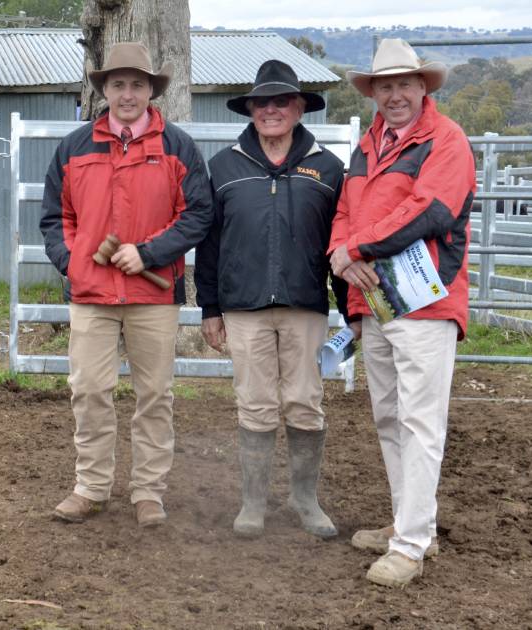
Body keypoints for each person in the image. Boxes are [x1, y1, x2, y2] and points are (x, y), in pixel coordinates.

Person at [40, 42, 214, 529]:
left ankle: (148, 491)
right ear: (105, 90)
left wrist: (150, 253)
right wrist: (73, 265)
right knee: (90, 390)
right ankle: (91, 487)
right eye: (118, 84)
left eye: (137, 84)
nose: (128, 93)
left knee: (154, 395)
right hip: (92, 294)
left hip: (153, 294)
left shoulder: (177, 146)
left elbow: (198, 213)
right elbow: (57, 218)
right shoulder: (75, 147)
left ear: (150, 90)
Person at [330, 38, 475, 587]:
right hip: (375, 299)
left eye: (403, 85)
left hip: (426, 301)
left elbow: (430, 211)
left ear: (422, 87)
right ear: (373, 92)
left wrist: (357, 248)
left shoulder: (447, 140)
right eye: (383, 86)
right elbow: (344, 211)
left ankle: (411, 545)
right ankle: (409, 526)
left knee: (419, 420)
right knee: (390, 416)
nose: (394, 95)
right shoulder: (368, 145)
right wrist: (341, 257)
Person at [195, 60, 350, 540]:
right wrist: (210, 308)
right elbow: (210, 242)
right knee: (255, 403)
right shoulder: (224, 166)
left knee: (305, 401)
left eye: (281, 101)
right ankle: (253, 503)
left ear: (300, 107)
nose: (271, 110)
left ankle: (305, 499)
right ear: (251, 110)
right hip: (243, 307)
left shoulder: (328, 169)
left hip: (305, 305)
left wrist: (351, 309)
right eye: (262, 103)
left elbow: (341, 241)